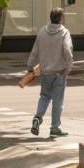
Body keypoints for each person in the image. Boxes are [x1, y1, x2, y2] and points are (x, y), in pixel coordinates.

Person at [28, 7, 73, 137]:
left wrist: (30, 67)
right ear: (61, 18)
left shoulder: (42, 31)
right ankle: (55, 127)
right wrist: (68, 68)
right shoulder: (64, 32)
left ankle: (38, 117)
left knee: (44, 96)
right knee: (58, 101)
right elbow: (67, 51)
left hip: (45, 72)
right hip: (59, 73)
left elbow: (35, 51)